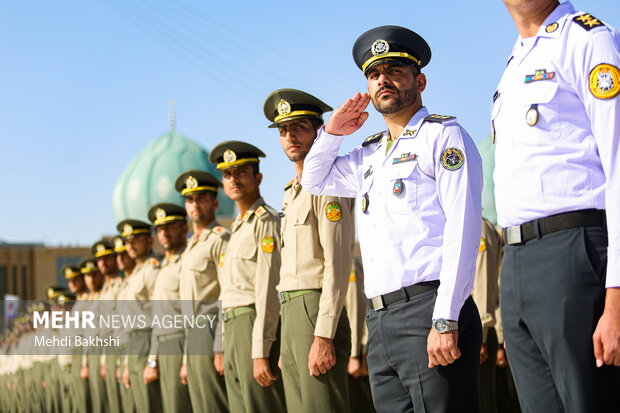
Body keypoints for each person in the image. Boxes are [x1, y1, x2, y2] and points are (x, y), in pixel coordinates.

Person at [300, 25, 483, 412]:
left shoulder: (443, 137)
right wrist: (331, 133)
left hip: (429, 309)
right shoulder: (367, 155)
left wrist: (446, 319)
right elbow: (314, 180)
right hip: (380, 319)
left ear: (420, 81)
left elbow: (463, 230)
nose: (383, 79)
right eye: (373, 74)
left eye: (395, 71)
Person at [492, 1, 620, 411]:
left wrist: (616, 297)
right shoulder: (513, 64)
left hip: (573, 252)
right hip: (516, 263)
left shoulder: (587, 39)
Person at [264, 88, 354, 412]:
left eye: (299, 127)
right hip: (291, 309)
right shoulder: (291, 193)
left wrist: (325, 334)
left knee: (322, 404)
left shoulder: (328, 185)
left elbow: (338, 263)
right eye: (284, 130)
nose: (290, 136)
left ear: (319, 131)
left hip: (314, 309)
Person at [209, 141, 286, 413]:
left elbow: (267, 289)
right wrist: (220, 344)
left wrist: (260, 350)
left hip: (252, 323)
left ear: (258, 178)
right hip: (231, 328)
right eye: (228, 175)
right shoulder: (235, 231)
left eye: (241, 172)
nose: (234, 180)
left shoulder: (266, 221)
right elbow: (225, 293)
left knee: (260, 405)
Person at [174, 169, 230, 413]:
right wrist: (186, 359)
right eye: (190, 200)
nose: (195, 205)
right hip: (193, 333)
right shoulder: (190, 248)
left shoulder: (220, 239)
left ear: (215, 202)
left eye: (202, 198)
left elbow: (227, 293)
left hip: (211, 328)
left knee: (213, 403)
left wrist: (221, 345)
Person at [145, 203, 193, 413]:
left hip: (180, 343)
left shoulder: (187, 261)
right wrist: (153, 360)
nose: (163, 233)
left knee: (180, 406)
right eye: (159, 229)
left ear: (184, 228)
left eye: (170, 227)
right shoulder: (164, 266)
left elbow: (191, 315)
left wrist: (187, 360)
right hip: (163, 345)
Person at [116, 219, 162, 413]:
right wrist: (127, 364)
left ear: (149, 241)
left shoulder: (152, 270)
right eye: (127, 241)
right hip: (134, 344)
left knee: (150, 405)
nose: (131, 245)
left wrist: (153, 359)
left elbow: (161, 316)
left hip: (147, 340)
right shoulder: (134, 274)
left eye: (136, 240)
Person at [471, 218, 502, 413]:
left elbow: (482, 283)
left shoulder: (479, 227)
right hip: (473, 329)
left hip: (479, 330)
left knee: (484, 403)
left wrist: (480, 336)